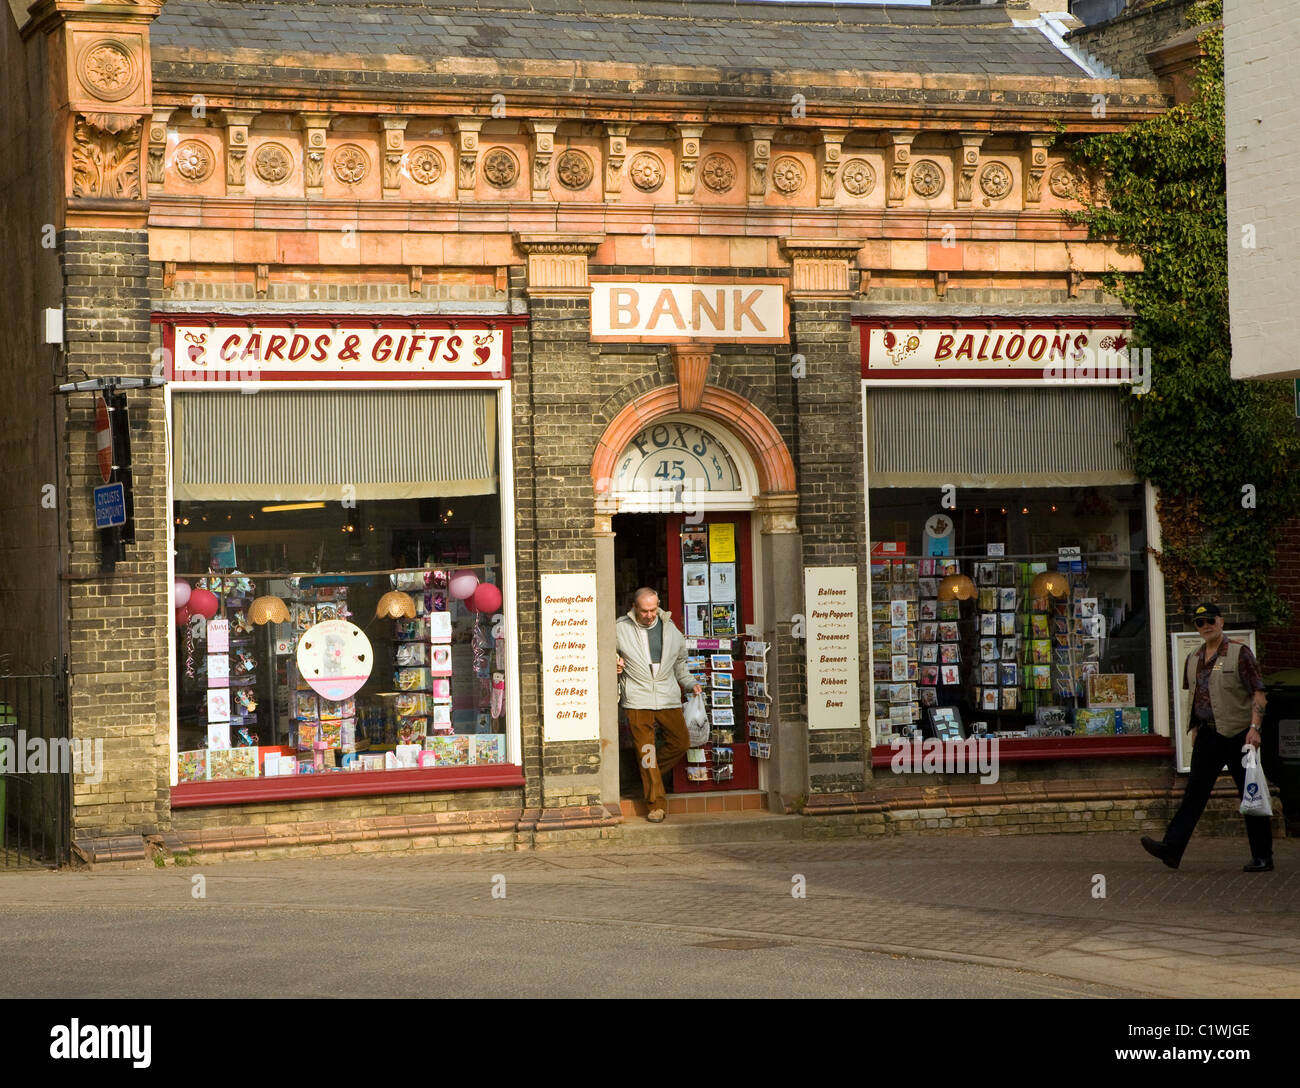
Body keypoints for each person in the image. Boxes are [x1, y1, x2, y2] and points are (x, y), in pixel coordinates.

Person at [1141, 602, 1272, 872]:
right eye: (1200, 623)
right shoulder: (1193, 658)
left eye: (1210, 620)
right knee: (1194, 794)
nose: (1205, 626)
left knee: (1251, 793)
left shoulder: (1239, 653)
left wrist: (1254, 728)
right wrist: (1196, 728)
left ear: (1221, 622)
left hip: (1239, 734)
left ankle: (1263, 856)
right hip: (1208, 734)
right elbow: (1196, 696)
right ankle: (1171, 850)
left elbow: (1259, 693)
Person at [616, 587, 702, 823]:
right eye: (645, 611)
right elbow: (605, 653)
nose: (650, 615)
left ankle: (645, 774)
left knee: (681, 742)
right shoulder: (619, 628)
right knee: (647, 753)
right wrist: (615, 662)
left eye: (653, 609)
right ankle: (656, 805)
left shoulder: (671, 629)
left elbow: (680, 664)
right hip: (637, 697)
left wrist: (690, 683)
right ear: (635, 608)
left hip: (667, 695)